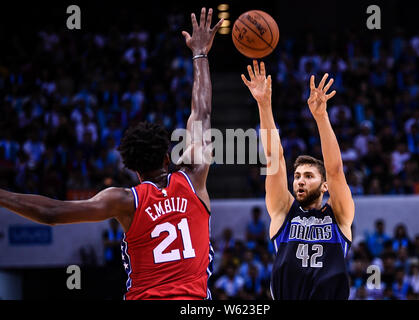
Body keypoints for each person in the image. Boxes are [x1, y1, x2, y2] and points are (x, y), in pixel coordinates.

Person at [0, 8, 223, 300]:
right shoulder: (194, 179)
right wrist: (200, 54)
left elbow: (52, 213)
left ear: (131, 168)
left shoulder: (123, 200)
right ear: (167, 157)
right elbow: (202, 111)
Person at [241, 61, 355, 300]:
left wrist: (321, 117)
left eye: (309, 176)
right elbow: (275, 158)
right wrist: (263, 104)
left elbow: (335, 170)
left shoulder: (339, 215)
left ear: (324, 186)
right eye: (297, 176)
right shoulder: (284, 211)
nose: (300, 181)